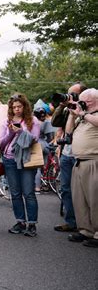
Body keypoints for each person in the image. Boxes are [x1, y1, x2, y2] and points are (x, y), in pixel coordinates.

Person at [0, 94, 41, 237]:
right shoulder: (7, 121)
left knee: (28, 193)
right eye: (14, 107)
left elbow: (34, 139)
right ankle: (20, 222)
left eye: (19, 106)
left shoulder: (32, 120)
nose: (16, 109)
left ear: (24, 107)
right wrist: (11, 133)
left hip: (27, 159)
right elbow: (2, 143)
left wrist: (21, 131)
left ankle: (32, 224)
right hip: (10, 160)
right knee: (15, 193)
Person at [51, 82, 87, 232]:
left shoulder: (89, 110)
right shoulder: (68, 110)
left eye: (73, 94)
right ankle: (71, 221)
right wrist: (62, 106)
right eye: (68, 93)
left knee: (84, 191)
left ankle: (86, 225)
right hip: (67, 153)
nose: (69, 96)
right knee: (66, 189)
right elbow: (54, 122)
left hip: (82, 155)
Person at [65, 88, 98, 248]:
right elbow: (68, 132)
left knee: (95, 200)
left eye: (83, 101)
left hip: (93, 161)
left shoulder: (92, 116)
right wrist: (72, 115)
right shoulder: (82, 117)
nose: (80, 104)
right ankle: (86, 230)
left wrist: (83, 114)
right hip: (78, 161)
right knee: (80, 200)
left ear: (92, 101)